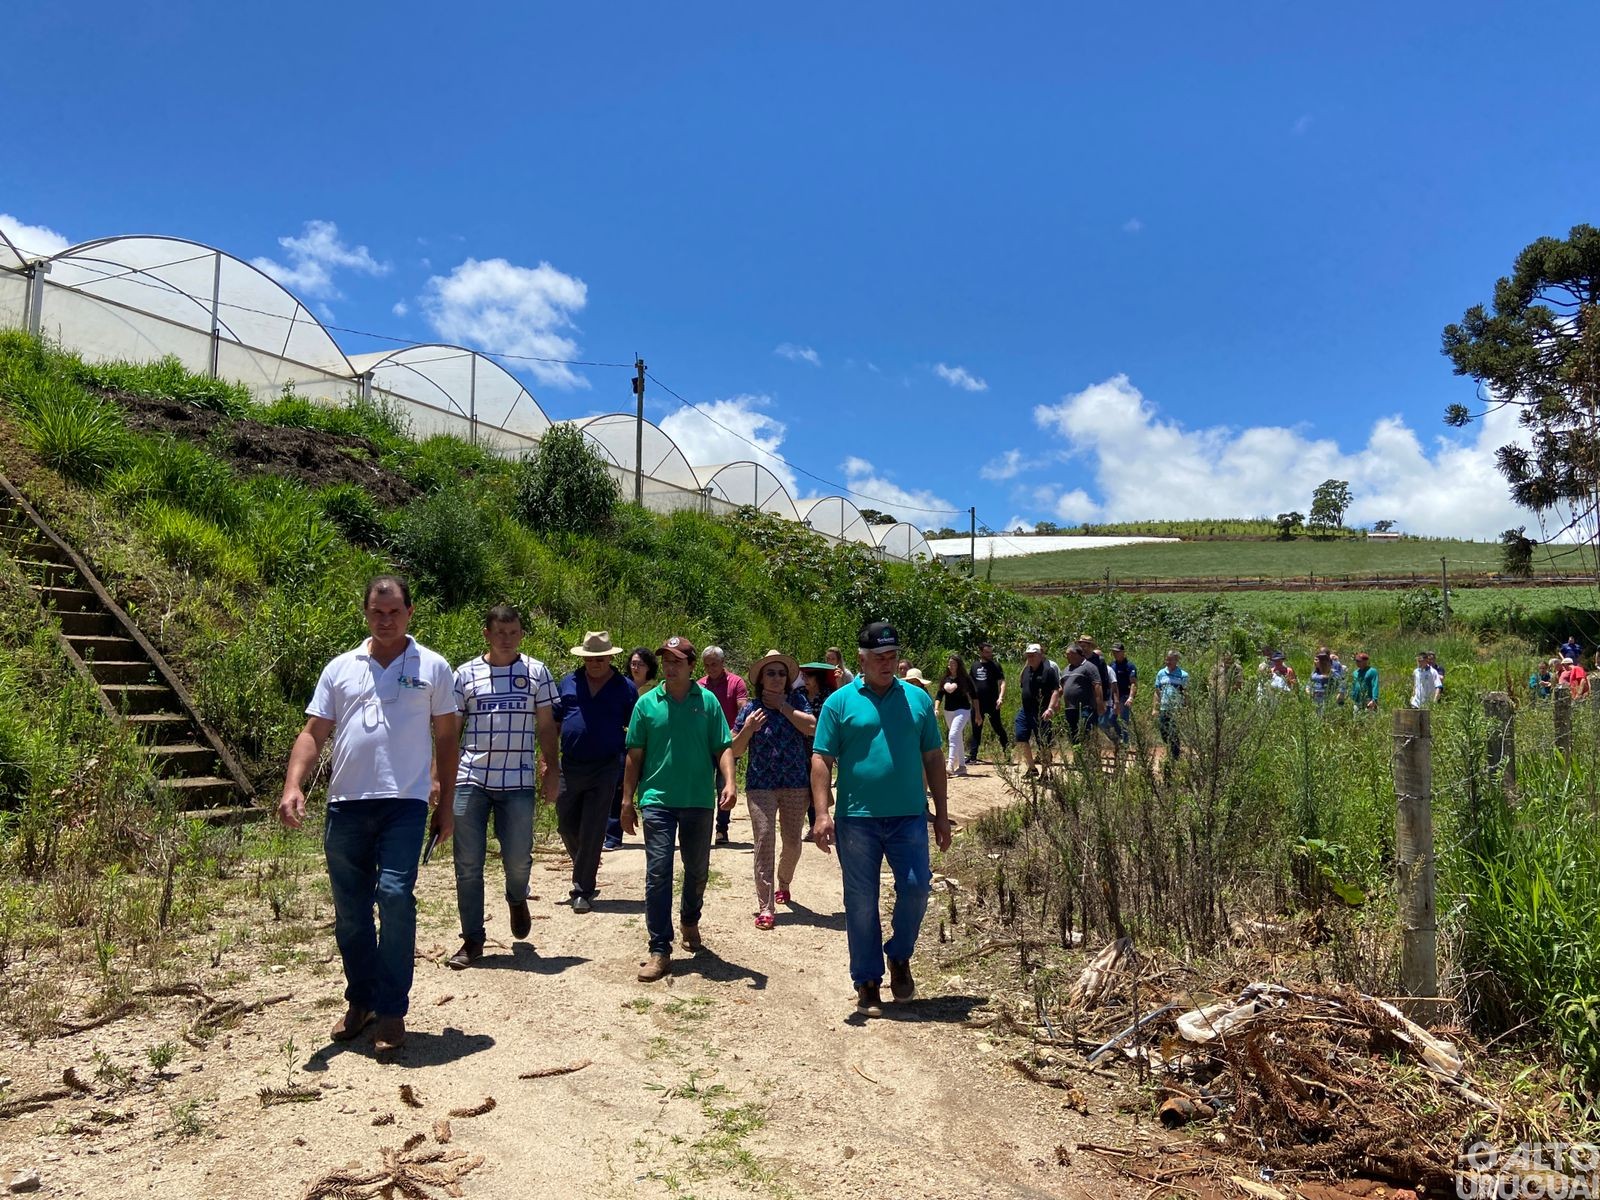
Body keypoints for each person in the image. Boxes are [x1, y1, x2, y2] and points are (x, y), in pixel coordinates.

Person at [277, 575, 457, 1053]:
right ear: (366, 614)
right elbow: (314, 731)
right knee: (352, 913)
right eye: (377, 612)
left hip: (406, 802)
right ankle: (361, 1001)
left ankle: (392, 1009)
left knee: (395, 895)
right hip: (346, 805)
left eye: (394, 611)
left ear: (410, 612)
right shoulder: (341, 668)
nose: (386, 619)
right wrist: (293, 784)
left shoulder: (433, 667)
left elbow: (446, 738)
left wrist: (448, 804)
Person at [810, 620, 950, 1016]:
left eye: (892, 657)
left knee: (917, 887)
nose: (888, 665)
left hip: (908, 815)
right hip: (857, 819)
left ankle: (900, 956)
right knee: (860, 902)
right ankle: (867, 981)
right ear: (862, 659)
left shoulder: (917, 700)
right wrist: (822, 813)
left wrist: (940, 813)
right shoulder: (839, 703)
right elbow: (822, 757)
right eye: (879, 658)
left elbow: (933, 758)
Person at [447, 605, 560, 970]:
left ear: (521, 634)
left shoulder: (536, 672)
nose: (507, 639)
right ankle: (472, 940)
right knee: (467, 863)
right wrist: (439, 776)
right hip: (471, 779)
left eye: (513, 633)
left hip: (518, 780)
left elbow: (546, 725)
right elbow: (449, 730)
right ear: (487, 634)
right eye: (500, 633)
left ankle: (516, 896)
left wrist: (552, 767)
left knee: (517, 858)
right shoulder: (465, 674)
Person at [623, 636, 736, 982]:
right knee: (658, 872)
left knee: (697, 870)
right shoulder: (646, 704)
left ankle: (690, 918)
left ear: (691, 666)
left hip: (698, 800)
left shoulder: (708, 703)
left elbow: (723, 747)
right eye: (666, 661)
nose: (671, 667)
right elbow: (634, 755)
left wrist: (730, 782)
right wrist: (627, 800)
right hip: (657, 800)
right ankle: (659, 947)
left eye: (677, 661)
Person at [730, 650, 816, 930]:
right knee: (764, 839)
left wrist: (783, 707)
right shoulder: (751, 708)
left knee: (792, 842)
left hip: (795, 783)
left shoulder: (798, 700)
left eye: (781, 673)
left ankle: (785, 881)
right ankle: (765, 906)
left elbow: (813, 728)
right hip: (760, 785)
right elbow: (735, 749)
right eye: (771, 673)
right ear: (761, 679)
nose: (777, 678)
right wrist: (748, 729)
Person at [554, 631, 638, 913]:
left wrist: (631, 768)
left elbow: (636, 730)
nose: (596, 662)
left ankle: (582, 888)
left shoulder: (624, 688)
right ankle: (586, 864)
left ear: (610, 657)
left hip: (605, 766)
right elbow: (554, 721)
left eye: (601, 657)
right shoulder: (568, 682)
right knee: (565, 822)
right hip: (570, 764)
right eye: (591, 658)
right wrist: (548, 760)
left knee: (592, 828)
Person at [604, 647, 658, 851]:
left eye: (640, 664)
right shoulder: (620, 686)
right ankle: (612, 835)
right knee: (619, 788)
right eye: (633, 663)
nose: (635, 667)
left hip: (649, 746)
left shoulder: (655, 689)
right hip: (623, 745)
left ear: (649, 668)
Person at [698, 647, 748, 847]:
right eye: (707, 665)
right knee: (703, 785)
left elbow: (743, 708)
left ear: (722, 663)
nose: (711, 668)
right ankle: (702, 827)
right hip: (703, 743)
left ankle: (722, 828)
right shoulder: (700, 685)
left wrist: (738, 733)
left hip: (727, 742)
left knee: (723, 785)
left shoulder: (736, 683)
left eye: (714, 664)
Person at [798, 662, 838, 839]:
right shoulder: (798, 695)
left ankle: (825, 820)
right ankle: (815, 824)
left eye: (809, 676)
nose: (804, 679)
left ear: (817, 678)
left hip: (824, 747)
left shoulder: (828, 696)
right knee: (808, 785)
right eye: (803, 676)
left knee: (821, 784)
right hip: (801, 746)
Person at [1015, 643, 1061, 778]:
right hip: (1026, 710)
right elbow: (1021, 682)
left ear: (1040, 655)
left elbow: (1055, 690)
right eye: (1028, 656)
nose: (1030, 658)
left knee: (1044, 743)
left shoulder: (1048, 670)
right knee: (1020, 736)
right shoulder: (1027, 669)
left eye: (1033, 655)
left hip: (1041, 711)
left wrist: (1050, 708)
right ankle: (1032, 768)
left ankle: (1046, 772)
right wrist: (1026, 665)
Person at [935, 654, 977, 777]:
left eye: (953, 663)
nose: (951, 666)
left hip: (963, 710)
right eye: (949, 664)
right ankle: (962, 766)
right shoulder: (945, 679)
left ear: (959, 665)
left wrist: (978, 713)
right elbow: (939, 695)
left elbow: (974, 696)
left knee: (953, 734)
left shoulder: (965, 679)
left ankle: (950, 765)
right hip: (949, 710)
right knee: (957, 737)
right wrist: (936, 708)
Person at [966, 640, 1008, 764]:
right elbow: (970, 684)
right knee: (976, 728)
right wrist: (970, 698)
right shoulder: (974, 666)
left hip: (992, 702)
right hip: (977, 703)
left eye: (991, 652)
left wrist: (1000, 697)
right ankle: (973, 756)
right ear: (981, 652)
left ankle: (1007, 752)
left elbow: (1002, 682)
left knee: (997, 727)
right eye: (987, 652)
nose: (990, 654)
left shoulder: (995, 665)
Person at [1058, 644, 1105, 744]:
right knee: (1073, 734)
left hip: (1086, 707)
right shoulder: (1066, 669)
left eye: (1068, 654)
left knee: (1087, 732)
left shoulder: (1089, 667)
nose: (1066, 657)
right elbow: (1062, 687)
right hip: (1070, 708)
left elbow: (1097, 685)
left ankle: (1091, 757)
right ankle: (1078, 757)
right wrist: (1057, 701)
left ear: (1076, 654)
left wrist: (1100, 703)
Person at [1152, 651, 1189, 757]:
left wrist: (1186, 708)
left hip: (1176, 708)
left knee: (1174, 732)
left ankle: (1175, 757)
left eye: (1170, 660)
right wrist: (1155, 708)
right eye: (1166, 659)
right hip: (1164, 707)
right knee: (1163, 732)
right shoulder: (1161, 673)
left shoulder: (1183, 675)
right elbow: (1157, 692)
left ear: (1176, 660)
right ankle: (1172, 750)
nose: (1167, 662)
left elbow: (1186, 693)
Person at [1108, 642, 1137, 745]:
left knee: (1124, 720)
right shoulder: (1111, 665)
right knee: (1111, 719)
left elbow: (1133, 683)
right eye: (1113, 652)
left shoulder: (1129, 666)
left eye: (1117, 652)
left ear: (1123, 652)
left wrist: (1131, 697)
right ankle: (1120, 738)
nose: (1115, 654)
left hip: (1124, 696)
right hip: (1114, 697)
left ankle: (1126, 744)